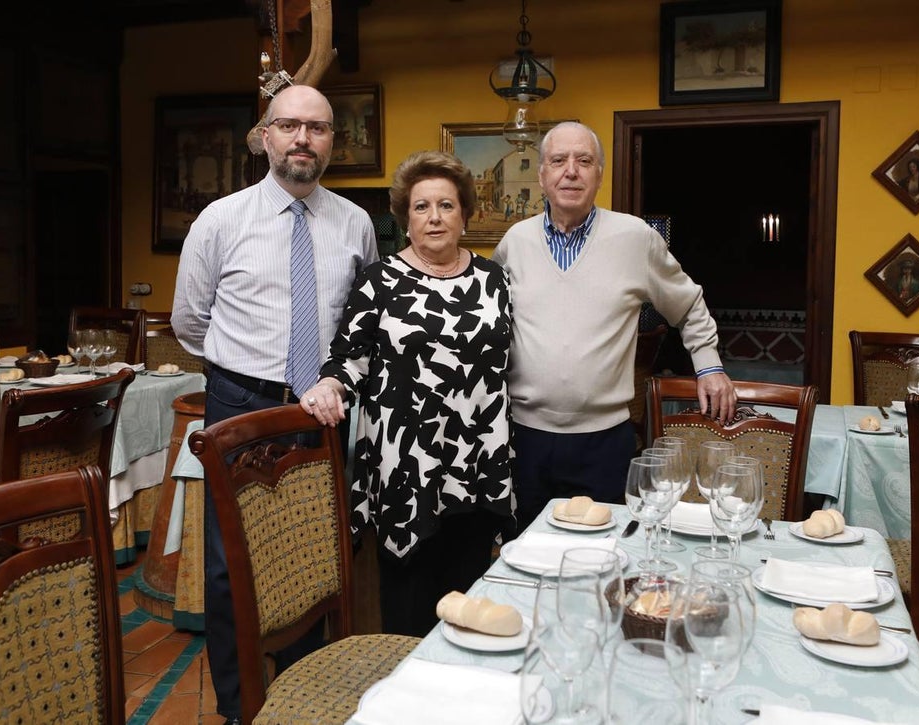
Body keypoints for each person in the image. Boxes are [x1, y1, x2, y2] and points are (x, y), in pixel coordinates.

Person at [171, 84, 378, 725]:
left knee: (314, 555)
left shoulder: (355, 223)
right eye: (288, 126)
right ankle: (239, 708)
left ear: (331, 142)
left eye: (316, 129)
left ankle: (301, 698)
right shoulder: (220, 219)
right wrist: (254, 371)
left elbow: (362, 324)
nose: (301, 140)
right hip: (239, 402)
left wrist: (323, 379)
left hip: (322, 410)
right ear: (264, 135)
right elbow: (190, 321)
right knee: (232, 566)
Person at [302, 150, 515, 637]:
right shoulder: (379, 282)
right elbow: (346, 358)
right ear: (405, 218)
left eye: (446, 205)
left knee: (471, 608)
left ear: (465, 214)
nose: (434, 217)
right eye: (421, 207)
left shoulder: (495, 281)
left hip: (478, 466)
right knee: (408, 612)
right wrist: (330, 384)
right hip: (405, 470)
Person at [492, 121, 736, 529]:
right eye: (559, 161)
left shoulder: (635, 238)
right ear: (542, 175)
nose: (571, 171)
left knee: (604, 560)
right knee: (528, 560)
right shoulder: (514, 242)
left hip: (604, 444)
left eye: (583, 161)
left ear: (599, 174)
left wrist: (709, 365)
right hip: (524, 439)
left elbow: (689, 303)